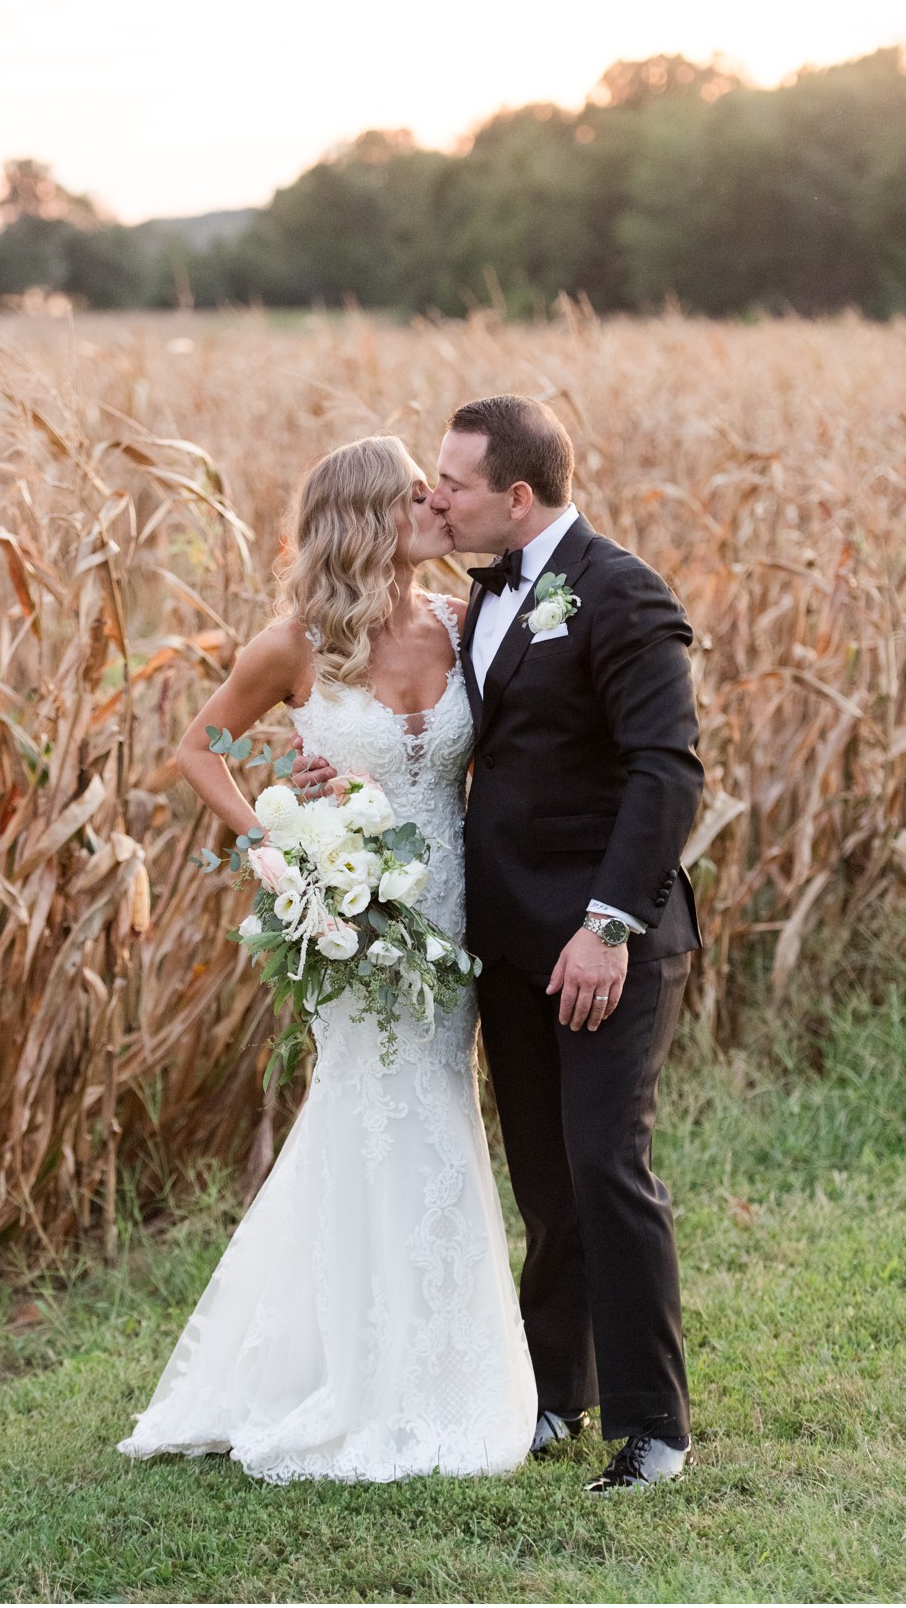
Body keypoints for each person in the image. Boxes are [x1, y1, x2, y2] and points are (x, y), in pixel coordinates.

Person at [296, 396, 704, 1493]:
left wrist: (605, 927)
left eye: (452, 482)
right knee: (545, 1179)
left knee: (605, 1164)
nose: (432, 496)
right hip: (504, 940)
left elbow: (667, 772)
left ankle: (651, 1425)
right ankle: (551, 1396)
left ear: (513, 496)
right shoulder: (474, 600)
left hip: (602, 939)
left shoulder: (620, 592)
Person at [118, 434, 537, 1483]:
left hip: (449, 908)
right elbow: (199, 745)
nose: (437, 505)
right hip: (351, 922)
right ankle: (366, 1379)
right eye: (415, 496)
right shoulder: (295, 642)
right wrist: (269, 838)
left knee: (438, 1105)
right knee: (370, 1107)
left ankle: (439, 1358)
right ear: (365, 517)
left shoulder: (461, 621)